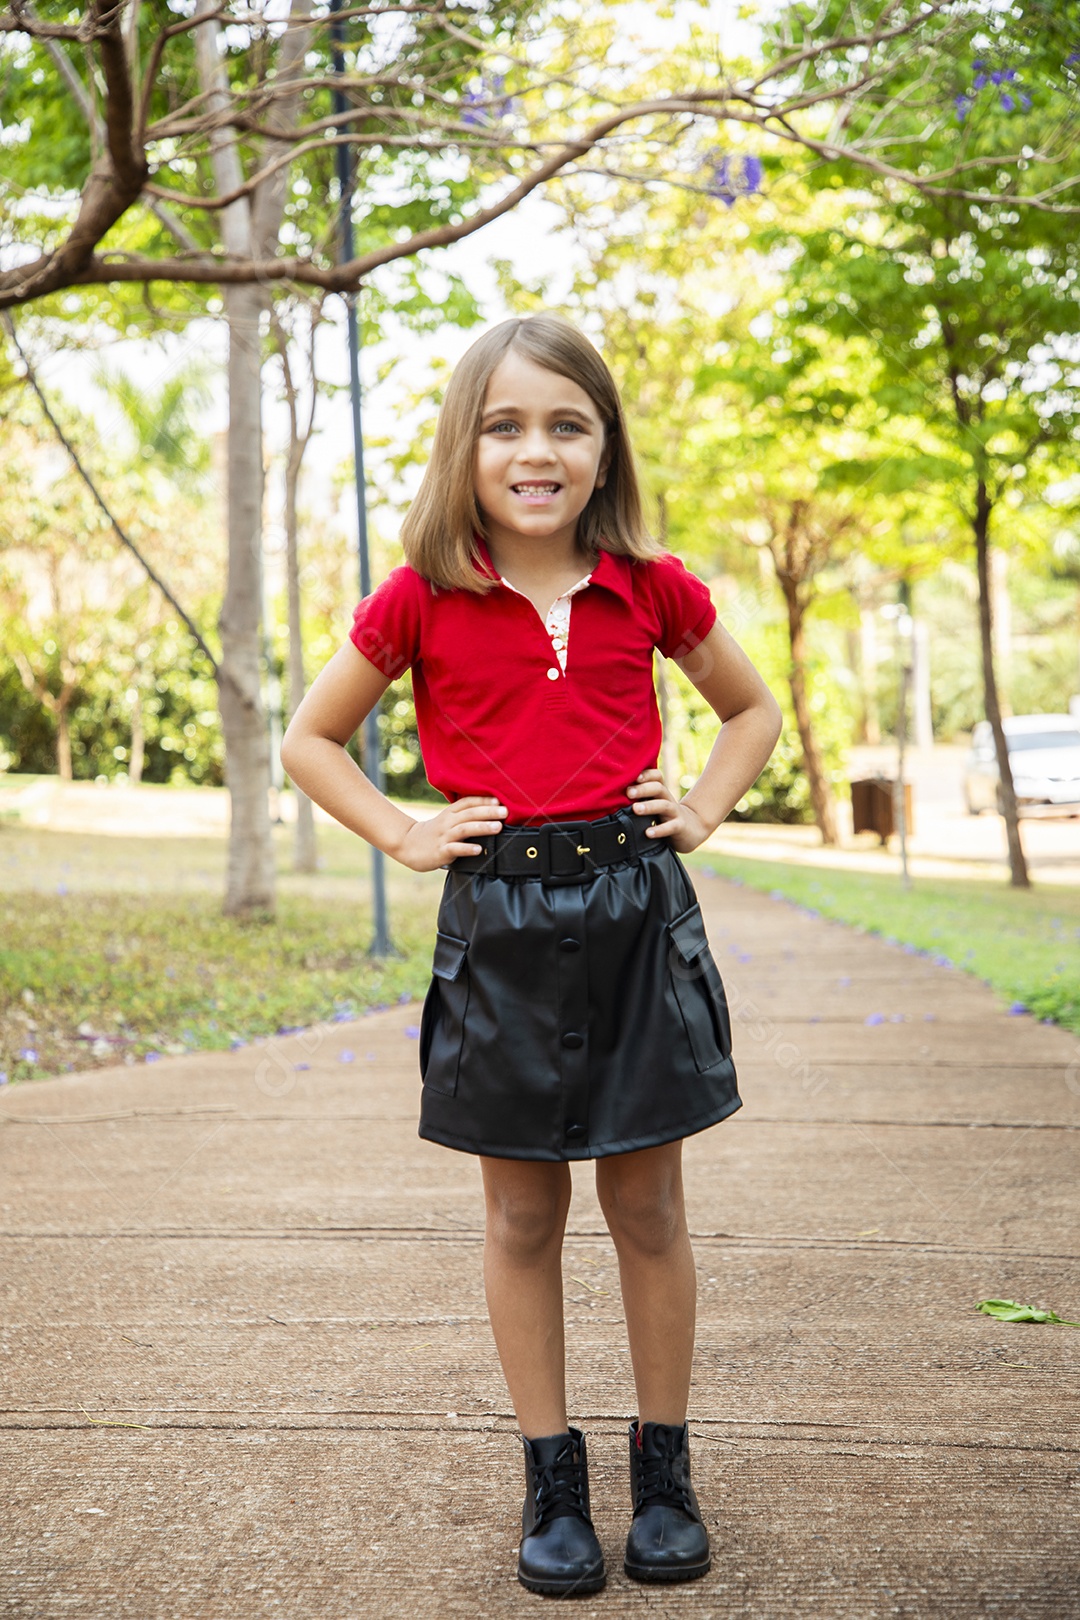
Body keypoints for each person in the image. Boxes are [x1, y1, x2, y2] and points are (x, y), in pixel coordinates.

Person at [281, 313, 782, 1598]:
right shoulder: (422, 599)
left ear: (604, 448)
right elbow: (312, 740)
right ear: (468, 447)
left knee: (649, 1208)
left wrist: (709, 806)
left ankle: (662, 1473)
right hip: (497, 931)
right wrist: (402, 830)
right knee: (520, 1214)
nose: (537, 450)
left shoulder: (651, 585)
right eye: (506, 425)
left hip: (632, 918)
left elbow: (750, 706)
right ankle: (549, 1477)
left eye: (567, 423)